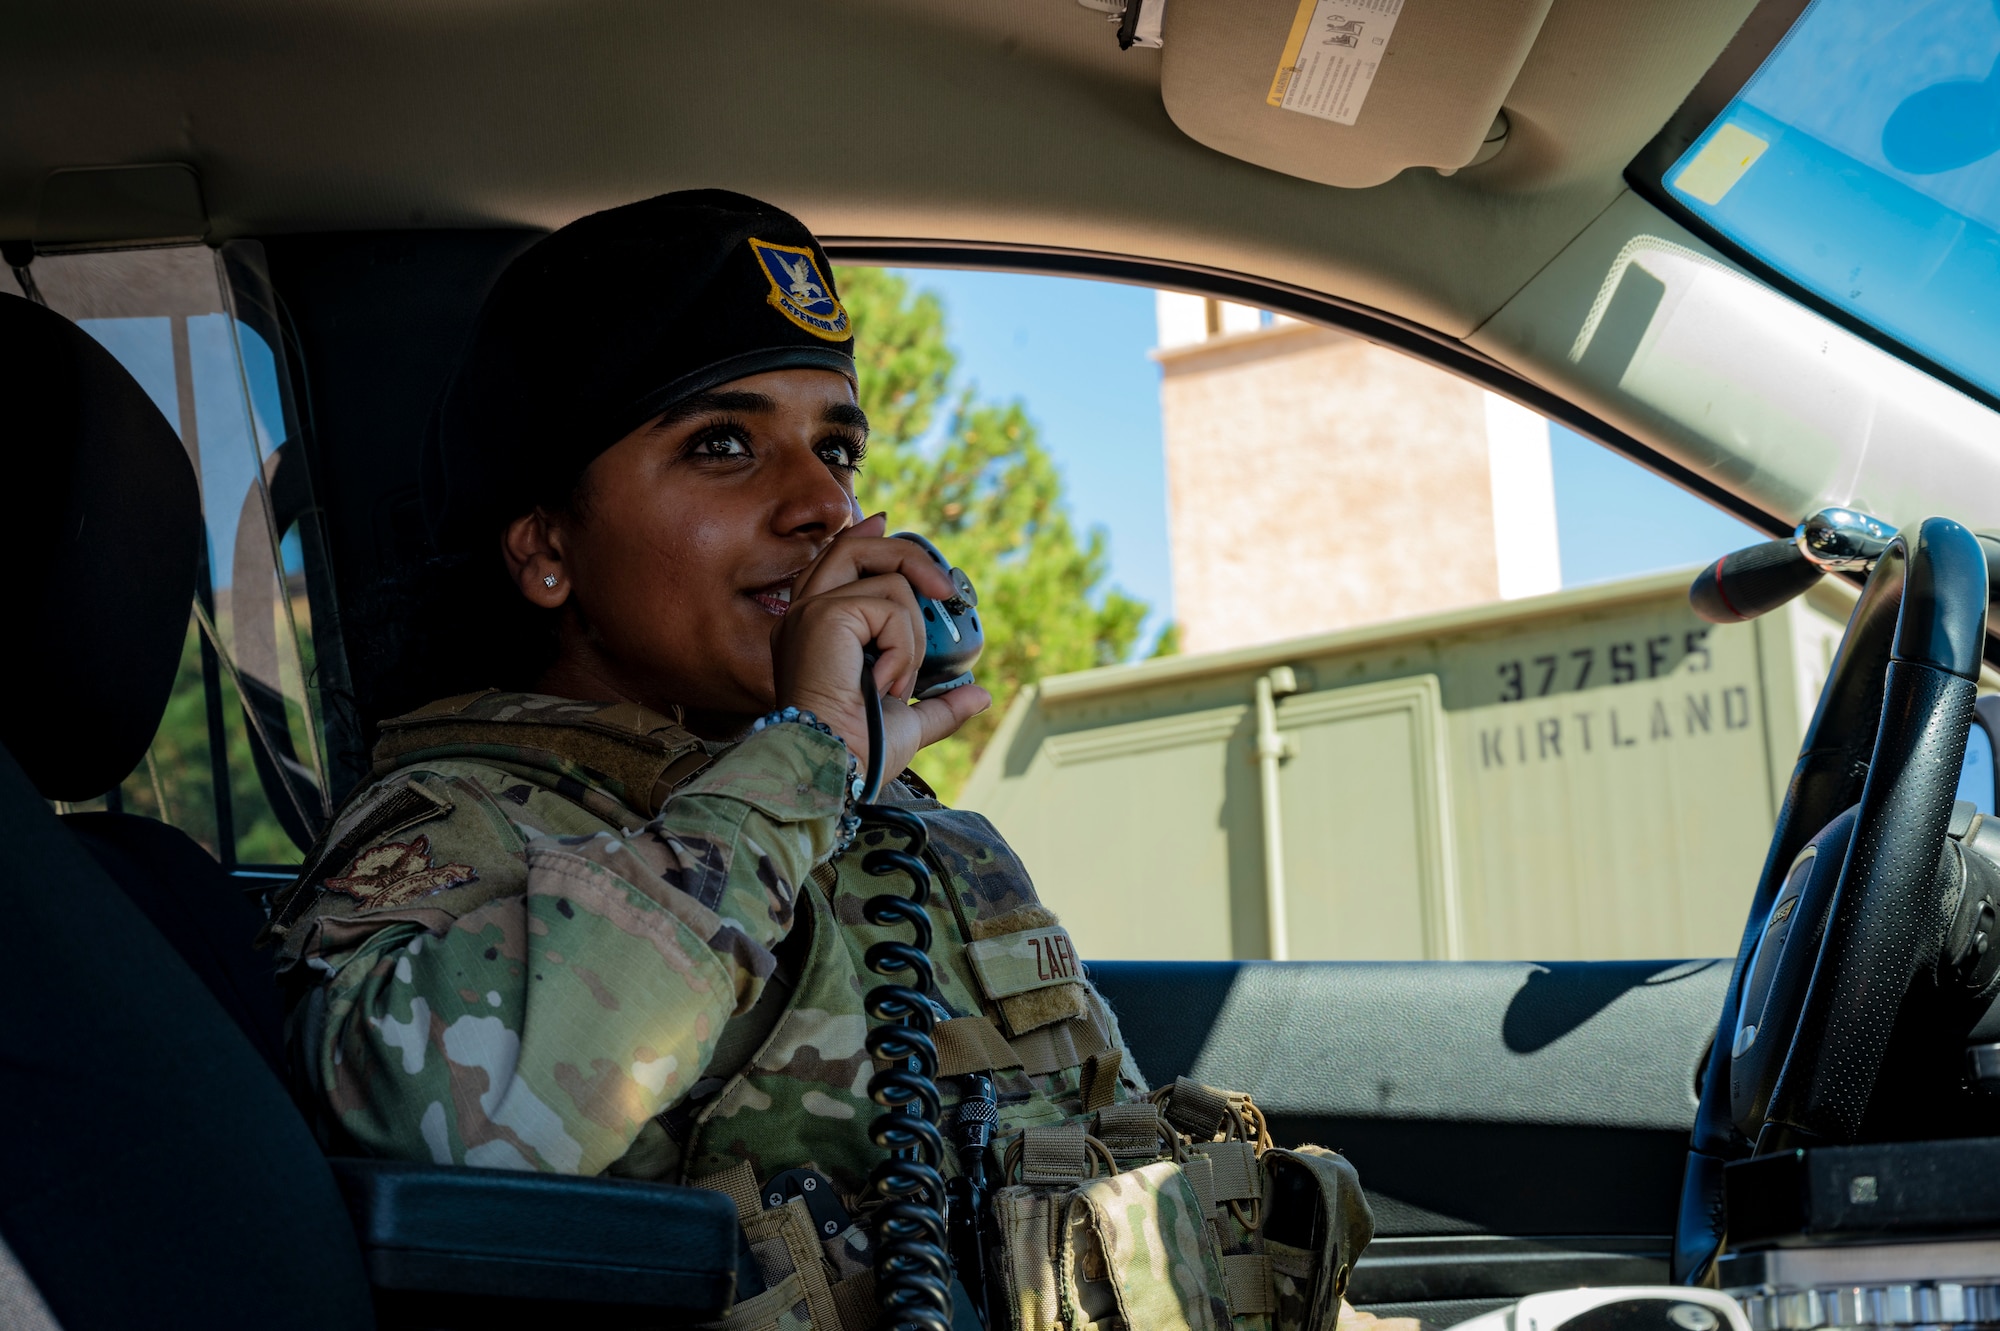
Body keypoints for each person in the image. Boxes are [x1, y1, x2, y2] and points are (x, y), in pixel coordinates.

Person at [265, 190, 1374, 1331]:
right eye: (722, 444)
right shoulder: (452, 825)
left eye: (835, 445)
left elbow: (1131, 1184)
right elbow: (442, 1126)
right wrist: (812, 754)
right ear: (548, 547)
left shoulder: (922, 838)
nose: (821, 502)